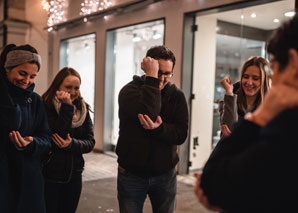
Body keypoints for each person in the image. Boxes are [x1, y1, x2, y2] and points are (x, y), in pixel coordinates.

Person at [195, 14, 298, 212]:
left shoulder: (283, 117)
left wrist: (260, 116)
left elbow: (217, 186)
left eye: (276, 67)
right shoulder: (235, 95)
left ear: (292, 63)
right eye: (246, 77)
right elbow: (227, 128)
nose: (249, 82)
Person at [116, 45, 189, 212]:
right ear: (148, 69)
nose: (162, 79)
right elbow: (150, 111)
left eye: (167, 74)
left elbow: (181, 134)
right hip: (131, 173)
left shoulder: (177, 96)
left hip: (165, 174)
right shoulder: (129, 91)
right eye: (158, 72)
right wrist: (151, 78)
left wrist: (159, 129)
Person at [0, 44, 51, 212]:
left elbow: (46, 137)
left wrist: (32, 142)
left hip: (28, 178)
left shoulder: (35, 101)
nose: (27, 80)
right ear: (7, 68)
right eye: (22, 73)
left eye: (32, 76)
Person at [41, 67, 95, 213]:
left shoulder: (83, 109)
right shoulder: (45, 106)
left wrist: (72, 144)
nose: (73, 92)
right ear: (58, 86)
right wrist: (66, 107)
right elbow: (59, 133)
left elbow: (90, 142)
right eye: (68, 87)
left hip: (74, 174)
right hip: (50, 174)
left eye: (76, 88)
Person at [219, 56, 270, 137]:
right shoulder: (229, 99)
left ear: (264, 81)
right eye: (246, 77)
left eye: (255, 78)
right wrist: (229, 92)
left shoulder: (271, 105)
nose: (249, 82)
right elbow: (228, 130)